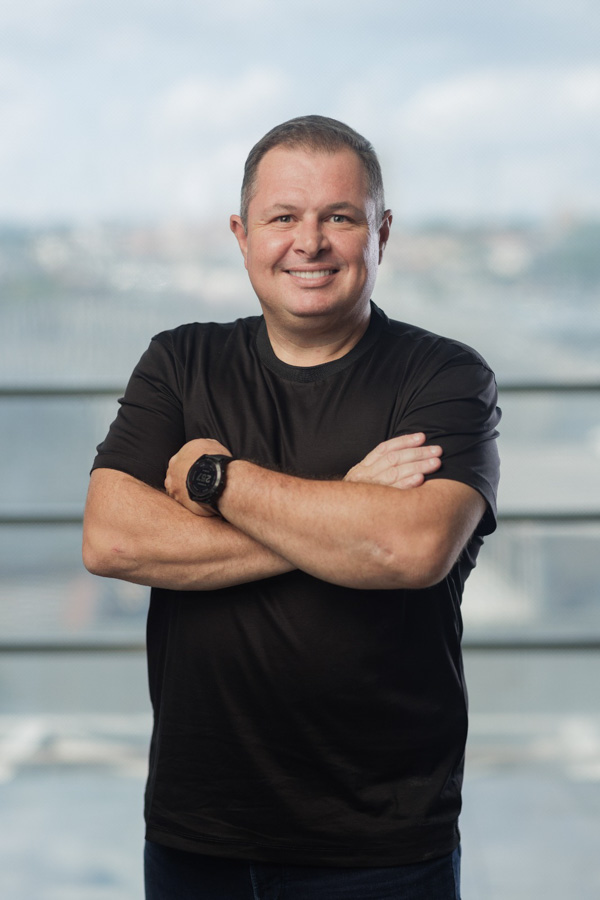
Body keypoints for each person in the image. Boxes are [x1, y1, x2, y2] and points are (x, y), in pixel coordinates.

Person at [83, 115, 500, 900]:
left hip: (381, 845)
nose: (309, 243)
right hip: (197, 835)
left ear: (381, 233)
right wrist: (349, 511)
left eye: (339, 217)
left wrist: (216, 482)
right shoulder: (181, 361)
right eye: (283, 217)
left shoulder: (444, 377)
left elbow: (409, 549)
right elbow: (112, 539)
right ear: (242, 235)